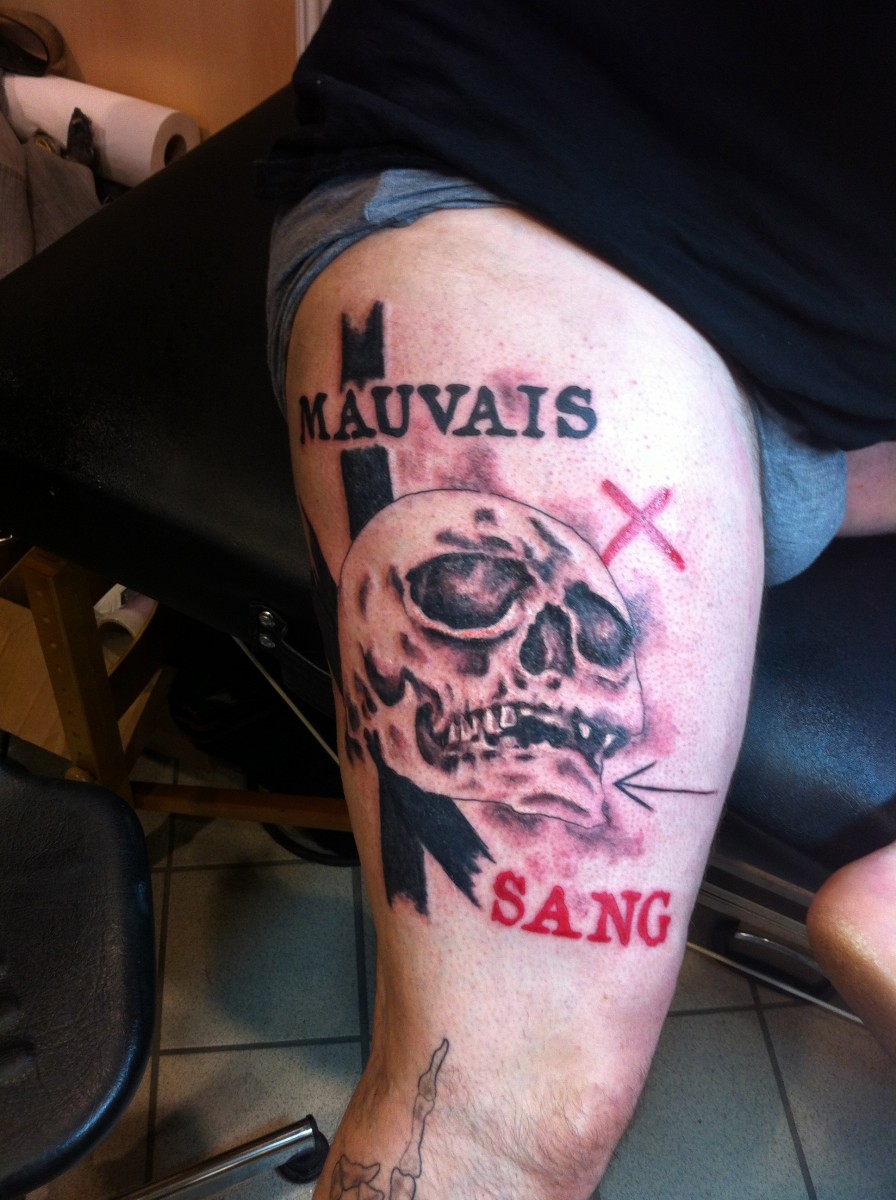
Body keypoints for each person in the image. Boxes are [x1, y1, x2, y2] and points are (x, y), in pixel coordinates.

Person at [259, 3, 896, 1195]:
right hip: (543, 199)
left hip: (848, 388)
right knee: (509, 1118)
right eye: (468, 594)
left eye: (593, 639)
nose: (551, 666)